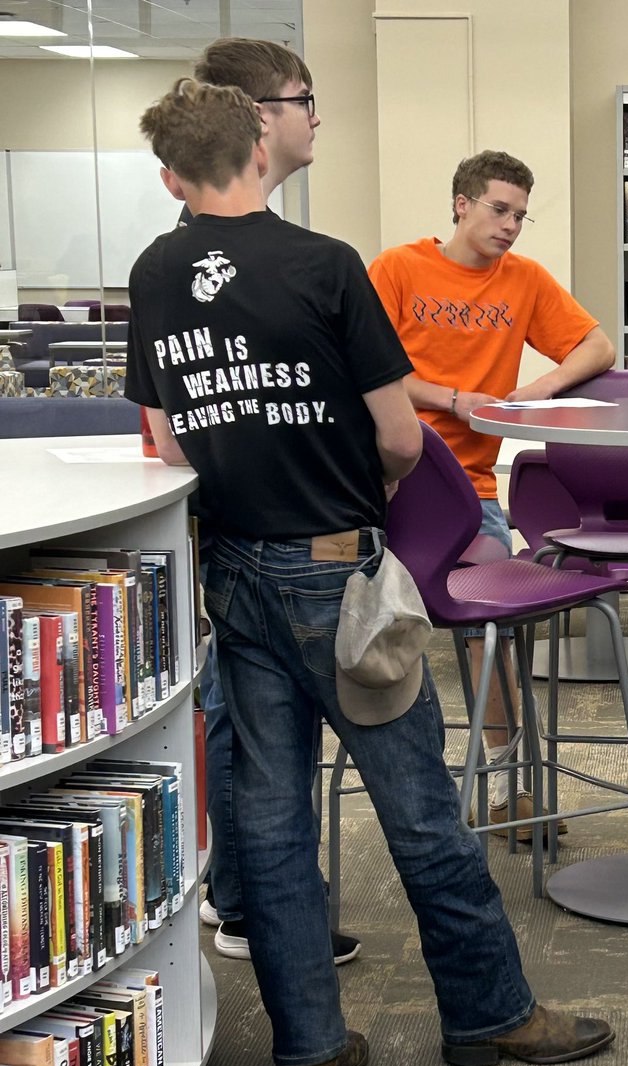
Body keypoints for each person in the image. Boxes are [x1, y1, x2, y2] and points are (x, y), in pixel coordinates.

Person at [127, 78, 615, 1066]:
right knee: (420, 801)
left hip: (233, 572)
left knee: (268, 820)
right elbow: (402, 435)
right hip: (335, 572)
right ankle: (491, 1010)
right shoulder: (325, 264)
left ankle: (308, 1044)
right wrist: (370, 487)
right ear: (257, 149)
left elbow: (165, 437)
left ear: (171, 172)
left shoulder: (155, 272)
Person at [368, 151, 614, 838]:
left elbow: (598, 347)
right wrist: (452, 396)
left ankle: (502, 792)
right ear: (461, 204)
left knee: (490, 630)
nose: (510, 226)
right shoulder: (398, 269)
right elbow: (362, 365)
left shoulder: (525, 281)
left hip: (471, 494)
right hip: (386, 487)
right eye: (499, 210)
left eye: (520, 215)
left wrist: (531, 392)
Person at [186, 36, 361, 965]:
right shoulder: (306, 261)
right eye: (305, 98)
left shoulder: (177, 257)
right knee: (392, 780)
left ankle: (244, 897)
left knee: (252, 742)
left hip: (241, 544)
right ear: (260, 119)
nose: (317, 115)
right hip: (300, 546)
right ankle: (247, 900)